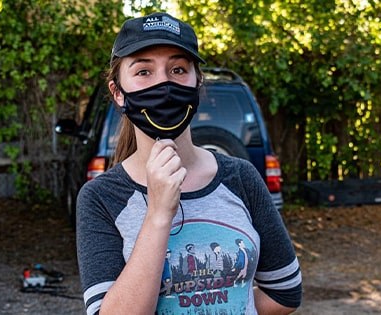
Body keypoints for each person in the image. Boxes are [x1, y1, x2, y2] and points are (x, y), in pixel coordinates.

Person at [76, 12, 302, 314]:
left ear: (198, 83)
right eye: (144, 72)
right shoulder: (100, 197)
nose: (164, 84)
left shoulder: (241, 178)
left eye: (178, 69)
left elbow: (285, 293)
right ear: (118, 92)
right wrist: (158, 212)